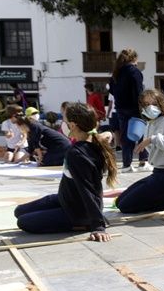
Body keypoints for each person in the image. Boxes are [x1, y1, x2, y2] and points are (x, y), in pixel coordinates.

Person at [14, 103, 117, 242]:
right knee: (19, 211)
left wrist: (98, 226)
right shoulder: (94, 141)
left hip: (76, 210)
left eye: (65, 121)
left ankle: (82, 224)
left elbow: (88, 190)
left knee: (23, 222)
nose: (64, 124)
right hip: (65, 198)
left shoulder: (77, 153)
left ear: (73, 125)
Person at [115, 89, 164, 214]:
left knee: (125, 206)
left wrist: (152, 139)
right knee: (119, 201)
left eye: (153, 104)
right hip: (157, 173)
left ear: (161, 104)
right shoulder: (150, 123)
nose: (149, 108)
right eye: (145, 105)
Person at [111, 48, 148, 171]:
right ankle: (143, 161)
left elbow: (111, 90)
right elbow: (138, 91)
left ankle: (127, 164)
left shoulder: (116, 72)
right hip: (134, 107)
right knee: (140, 134)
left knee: (126, 136)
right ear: (134, 59)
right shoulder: (134, 72)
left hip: (121, 108)